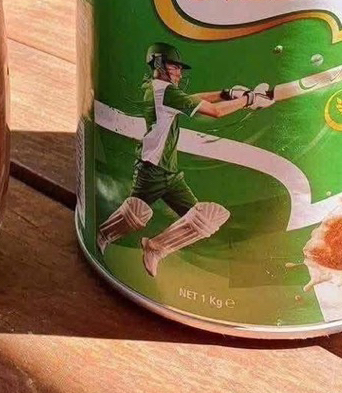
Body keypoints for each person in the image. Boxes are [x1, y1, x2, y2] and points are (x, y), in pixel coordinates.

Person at [96, 42, 275, 277]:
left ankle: (156, 247)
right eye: (174, 67)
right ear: (158, 64)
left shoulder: (160, 90)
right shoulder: (164, 91)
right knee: (137, 213)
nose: (179, 73)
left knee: (206, 218)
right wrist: (249, 100)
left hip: (169, 172)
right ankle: (102, 235)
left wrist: (227, 93)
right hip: (152, 168)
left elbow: (191, 99)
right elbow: (216, 112)